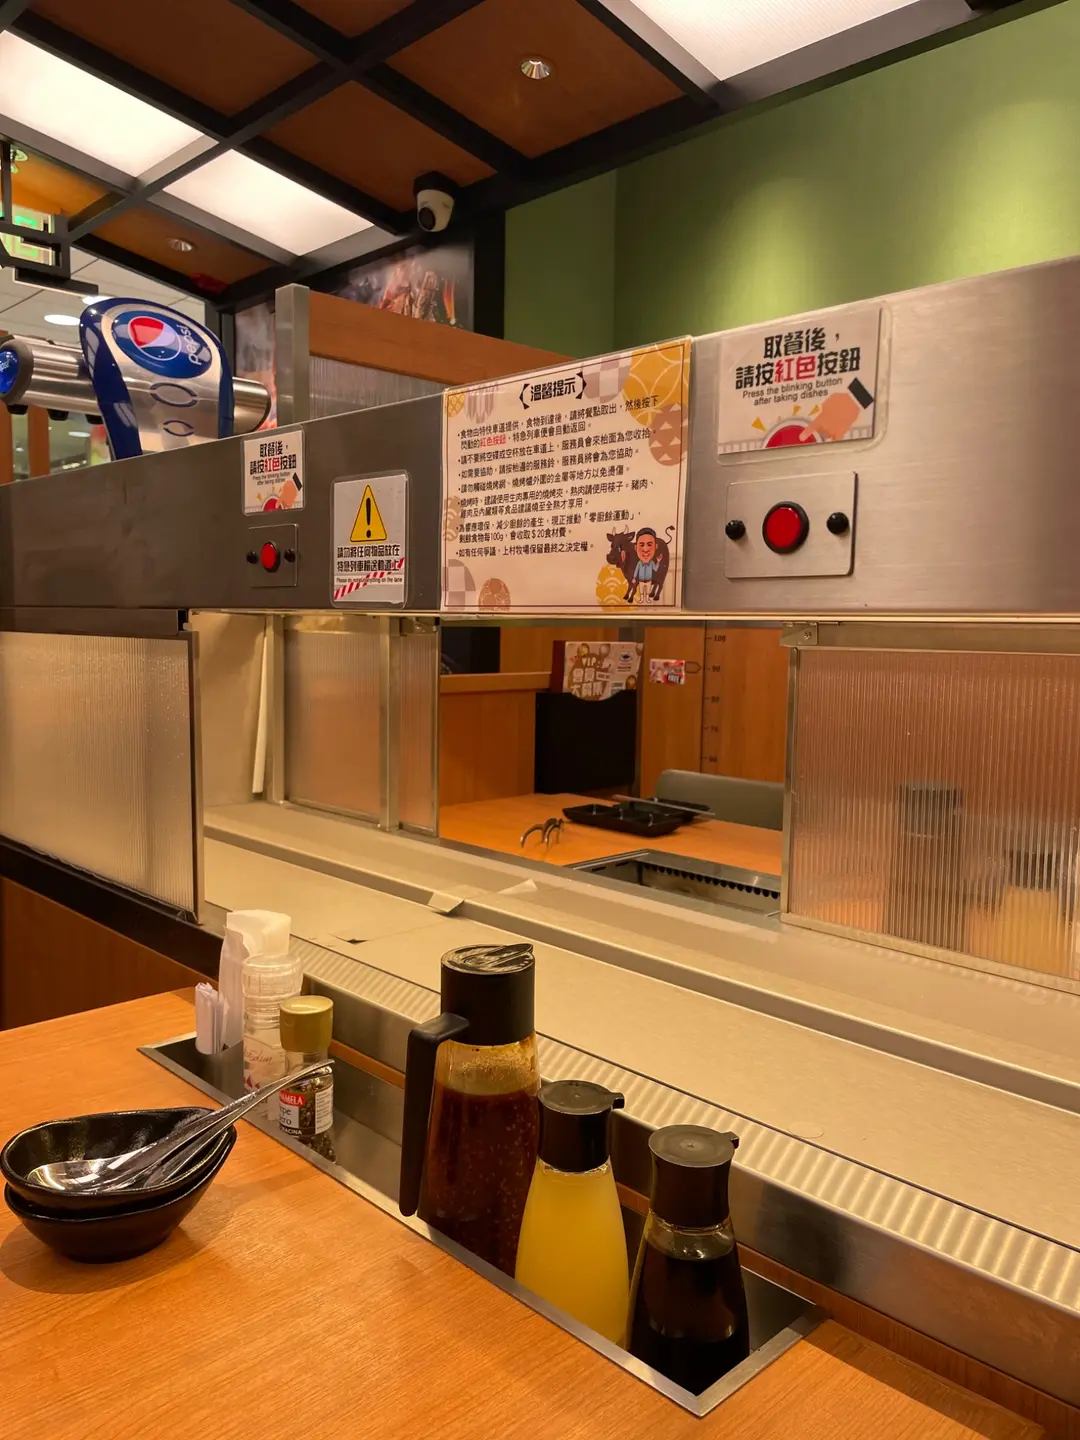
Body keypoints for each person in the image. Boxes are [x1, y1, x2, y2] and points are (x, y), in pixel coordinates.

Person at [626, 528, 658, 603]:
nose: (645, 549)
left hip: (649, 580)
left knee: (648, 591)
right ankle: (641, 599)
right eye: (641, 545)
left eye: (649, 545)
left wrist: (658, 562)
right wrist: (634, 578)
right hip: (641, 580)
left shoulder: (652, 563)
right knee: (641, 591)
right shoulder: (639, 563)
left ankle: (647, 599)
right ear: (635, 548)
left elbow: (655, 569)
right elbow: (636, 570)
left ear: (656, 547)